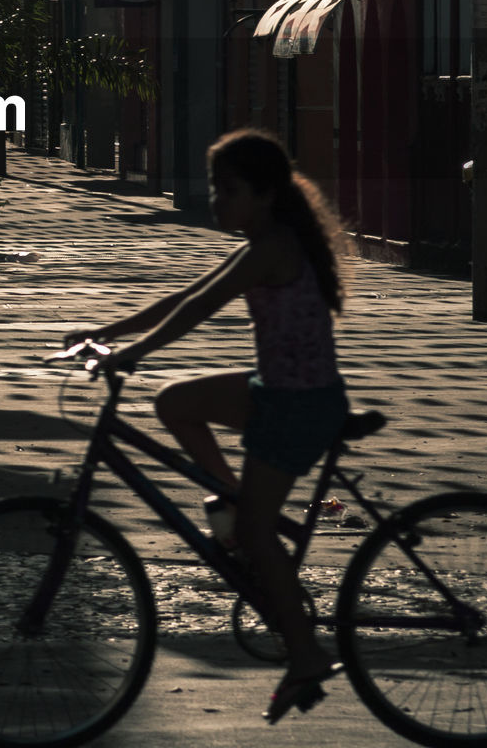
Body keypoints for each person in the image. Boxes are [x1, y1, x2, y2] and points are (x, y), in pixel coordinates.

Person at [69, 128, 348, 725]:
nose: (216, 200)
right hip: (275, 392)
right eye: (214, 188)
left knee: (251, 529)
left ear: (267, 194)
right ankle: (240, 507)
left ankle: (305, 655)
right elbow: (185, 294)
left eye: (228, 190)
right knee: (174, 403)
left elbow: (201, 308)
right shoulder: (262, 238)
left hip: (299, 405)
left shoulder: (273, 246)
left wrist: (130, 357)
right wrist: (108, 333)